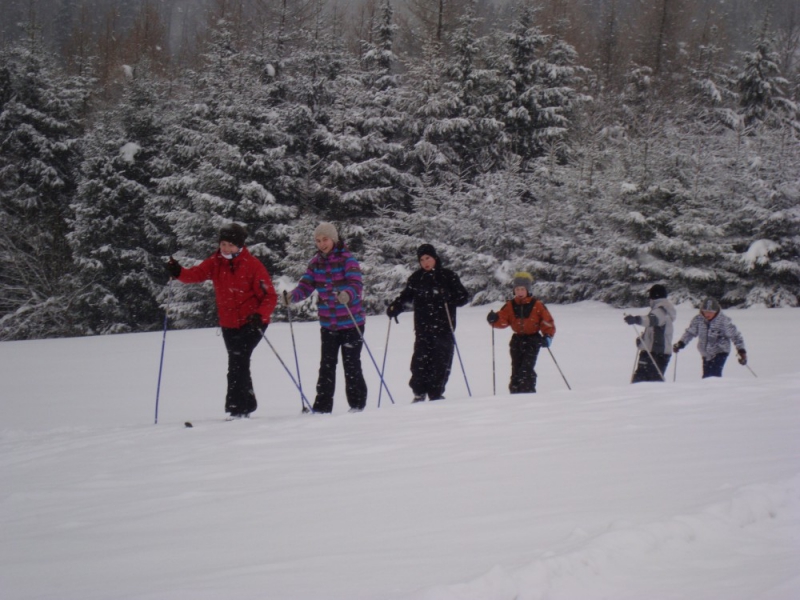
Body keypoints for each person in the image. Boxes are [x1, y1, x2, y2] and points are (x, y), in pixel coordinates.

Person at [165, 223, 278, 418]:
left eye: (230, 245)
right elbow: (196, 274)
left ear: (240, 246)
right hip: (229, 324)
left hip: (252, 322)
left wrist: (260, 315)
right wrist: (178, 272)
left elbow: (269, 296)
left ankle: (236, 408)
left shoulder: (252, 265)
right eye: (223, 244)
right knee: (239, 362)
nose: (225, 248)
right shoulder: (215, 262)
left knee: (237, 362)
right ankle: (248, 404)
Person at [284, 222, 367, 414]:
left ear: (334, 239)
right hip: (329, 323)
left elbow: (356, 284)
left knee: (351, 364)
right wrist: (292, 296)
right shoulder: (315, 263)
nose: (322, 244)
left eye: (325, 240)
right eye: (318, 241)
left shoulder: (347, 260)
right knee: (327, 365)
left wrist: (347, 293)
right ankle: (322, 406)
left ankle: (357, 404)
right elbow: (306, 285)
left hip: (351, 322)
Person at [386, 244, 469, 402]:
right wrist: (396, 306)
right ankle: (419, 393)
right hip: (423, 328)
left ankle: (435, 394)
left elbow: (463, 297)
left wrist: (449, 296)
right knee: (420, 362)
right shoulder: (417, 278)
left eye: (428, 258)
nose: (425, 262)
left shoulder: (447, 276)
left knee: (441, 363)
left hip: (444, 327)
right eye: (422, 259)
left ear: (435, 258)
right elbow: (406, 297)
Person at [486, 272, 556, 394]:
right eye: (517, 289)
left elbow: (547, 321)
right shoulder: (510, 305)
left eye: (522, 289)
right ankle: (515, 391)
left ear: (528, 290)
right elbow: (503, 321)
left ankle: (527, 391)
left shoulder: (537, 305)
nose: (520, 292)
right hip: (517, 340)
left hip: (533, 339)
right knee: (516, 368)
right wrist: (494, 319)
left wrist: (547, 336)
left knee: (526, 368)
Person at [673, 297, 747, 378]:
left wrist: (741, 351)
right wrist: (681, 343)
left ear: (716, 311)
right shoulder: (698, 319)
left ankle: (715, 388)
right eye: (705, 312)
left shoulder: (723, 321)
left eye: (710, 312)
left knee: (714, 376)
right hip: (705, 353)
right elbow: (690, 332)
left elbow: (735, 336)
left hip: (720, 351)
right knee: (706, 377)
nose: (707, 314)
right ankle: (708, 389)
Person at [623, 284, 676, 383]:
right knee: (642, 382)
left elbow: (651, 320)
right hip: (653, 353)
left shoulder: (661, 310)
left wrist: (636, 319)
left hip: (656, 354)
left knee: (648, 384)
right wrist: (642, 342)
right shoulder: (661, 310)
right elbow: (654, 332)